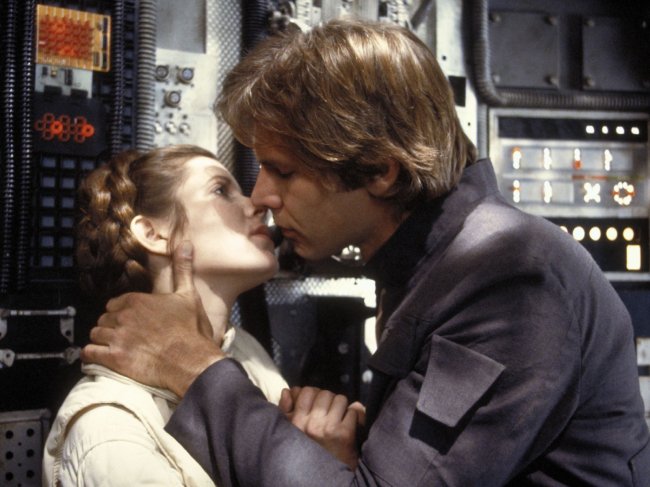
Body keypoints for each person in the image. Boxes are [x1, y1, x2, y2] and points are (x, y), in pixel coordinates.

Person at [82, 19, 650, 486]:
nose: (261, 197)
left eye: (283, 171)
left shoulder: (508, 280)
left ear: (381, 171)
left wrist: (190, 364)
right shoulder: (438, 265)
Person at [42, 145, 289, 486]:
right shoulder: (112, 430)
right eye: (220, 190)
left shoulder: (246, 353)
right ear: (153, 234)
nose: (256, 204)